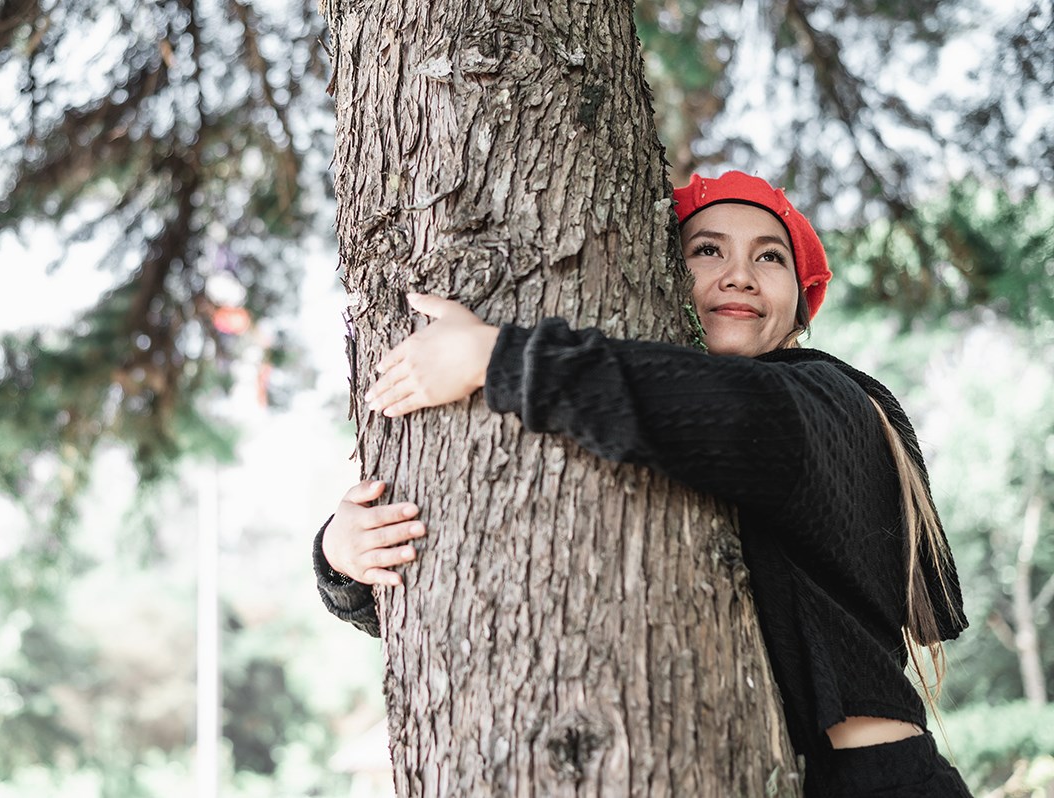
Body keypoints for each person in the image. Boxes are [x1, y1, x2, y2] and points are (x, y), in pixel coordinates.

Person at [311, 171, 972, 797]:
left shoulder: (828, 403)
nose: (739, 273)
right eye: (707, 250)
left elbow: (727, 411)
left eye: (771, 258)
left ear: (801, 308)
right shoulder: (682, 453)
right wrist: (346, 557)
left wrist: (497, 358)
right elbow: (511, 580)